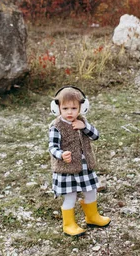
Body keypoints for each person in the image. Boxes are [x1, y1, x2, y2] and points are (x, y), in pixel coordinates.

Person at [48, 86, 110, 236]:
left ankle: (92, 217)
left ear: (82, 107)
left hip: (84, 167)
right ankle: (68, 224)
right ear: (57, 108)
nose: (70, 112)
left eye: (74, 108)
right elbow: (52, 146)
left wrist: (85, 127)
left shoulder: (82, 121)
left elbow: (96, 135)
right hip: (67, 170)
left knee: (91, 191)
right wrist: (61, 154)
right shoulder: (56, 127)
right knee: (71, 195)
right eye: (65, 108)